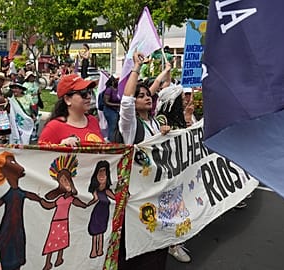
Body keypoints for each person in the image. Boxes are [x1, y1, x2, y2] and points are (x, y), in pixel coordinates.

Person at [117, 51, 190, 269]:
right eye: (141, 96)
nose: (147, 97)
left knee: (158, 246)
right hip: (137, 195)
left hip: (158, 192)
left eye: (148, 95)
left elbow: (158, 88)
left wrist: (166, 73)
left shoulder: (155, 123)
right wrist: (136, 67)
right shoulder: (130, 127)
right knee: (138, 248)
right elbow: (127, 103)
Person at [38, 74, 104, 146]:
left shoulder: (93, 121)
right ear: (67, 99)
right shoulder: (53, 128)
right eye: (83, 93)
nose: (89, 96)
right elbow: (41, 155)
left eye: (89, 91)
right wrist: (61, 147)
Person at [102, 75, 121, 142]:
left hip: (116, 110)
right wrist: (118, 105)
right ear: (113, 82)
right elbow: (106, 102)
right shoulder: (109, 89)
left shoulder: (119, 89)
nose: (118, 81)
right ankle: (110, 141)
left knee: (116, 127)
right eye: (116, 80)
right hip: (109, 110)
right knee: (112, 127)